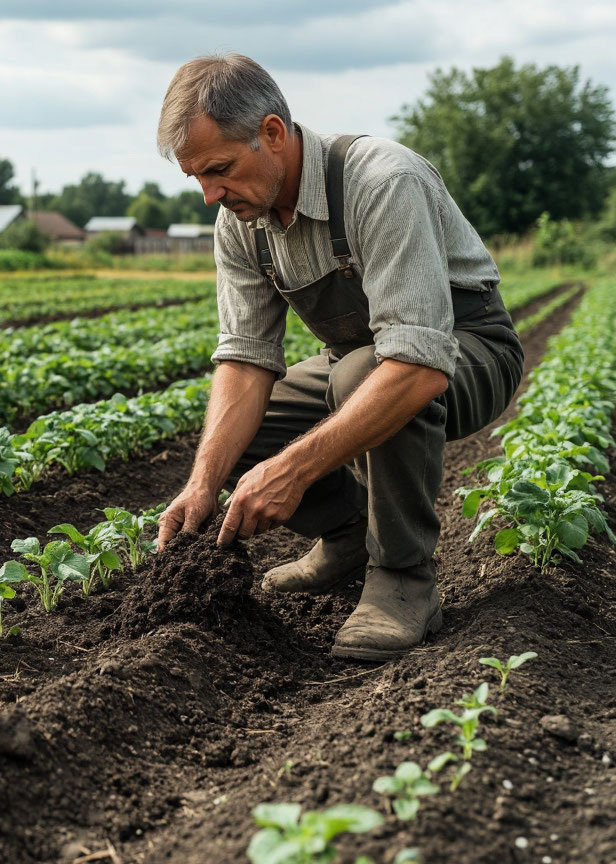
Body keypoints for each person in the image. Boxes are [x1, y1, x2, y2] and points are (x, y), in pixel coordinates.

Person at [154, 54, 523, 661]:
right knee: (245, 431)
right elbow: (245, 362)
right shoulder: (241, 220)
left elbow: (418, 364)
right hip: (364, 358)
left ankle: (403, 580)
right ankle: (350, 535)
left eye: (219, 170)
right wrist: (202, 484)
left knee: (362, 375)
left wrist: (294, 472)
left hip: (466, 347)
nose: (209, 195)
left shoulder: (381, 181)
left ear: (272, 134)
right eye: (197, 178)